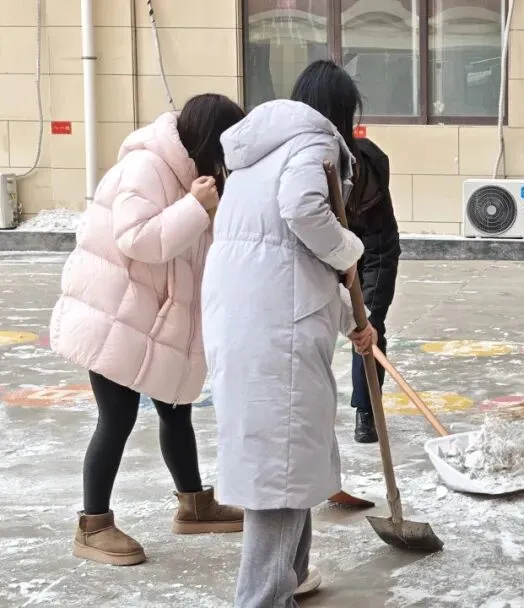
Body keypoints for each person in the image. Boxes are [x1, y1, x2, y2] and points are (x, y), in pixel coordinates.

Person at [201, 59, 377, 607]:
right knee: (279, 465)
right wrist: (351, 249)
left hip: (252, 319)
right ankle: (261, 597)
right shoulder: (312, 145)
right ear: (339, 115)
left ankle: (292, 575)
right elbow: (302, 214)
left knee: (289, 452)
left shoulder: (258, 157)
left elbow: (288, 260)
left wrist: (355, 323)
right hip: (277, 330)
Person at [50, 93, 247, 567]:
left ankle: (193, 505)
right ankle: (92, 525)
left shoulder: (189, 175)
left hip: (151, 320)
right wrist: (197, 208)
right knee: (115, 418)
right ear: (207, 140)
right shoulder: (147, 166)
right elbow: (136, 238)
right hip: (114, 317)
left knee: (176, 410)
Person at [345, 136, 400, 444]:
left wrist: (370, 314)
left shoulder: (376, 192)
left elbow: (383, 255)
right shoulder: (319, 183)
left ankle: (367, 409)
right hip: (320, 255)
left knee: (368, 329)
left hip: (364, 259)